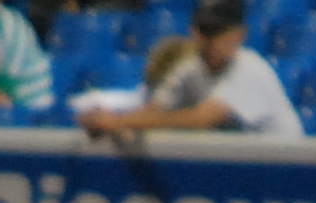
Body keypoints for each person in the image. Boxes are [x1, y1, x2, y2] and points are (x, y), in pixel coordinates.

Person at [80, 0, 304, 139]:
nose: (209, 40)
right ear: (192, 31)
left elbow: (203, 119)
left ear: (240, 34)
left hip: (293, 172)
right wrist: (111, 120)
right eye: (204, 30)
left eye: (218, 31)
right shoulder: (191, 68)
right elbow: (154, 110)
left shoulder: (250, 68)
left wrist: (119, 122)